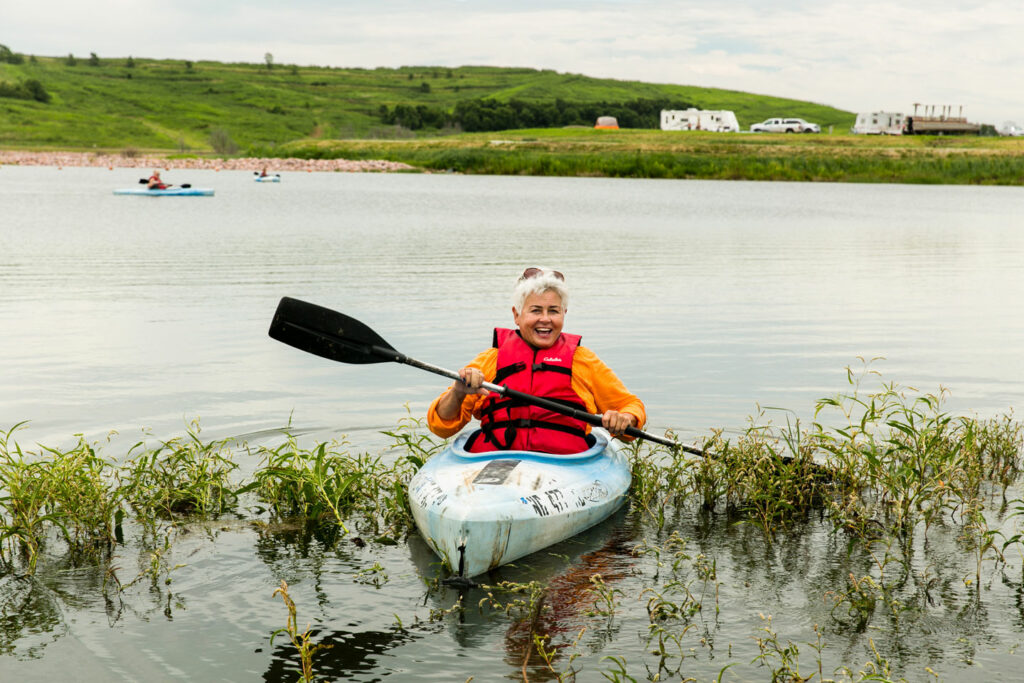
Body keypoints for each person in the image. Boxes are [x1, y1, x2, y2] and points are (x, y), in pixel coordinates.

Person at [427, 266, 646, 454]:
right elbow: (441, 427)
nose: (545, 319)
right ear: (517, 315)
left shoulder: (583, 360)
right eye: (535, 310)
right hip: (494, 461)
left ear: (564, 314)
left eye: (553, 311)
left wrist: (625, 418)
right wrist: (457, 392)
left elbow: (630, 405)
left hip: (566, 465)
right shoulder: (490, 360)